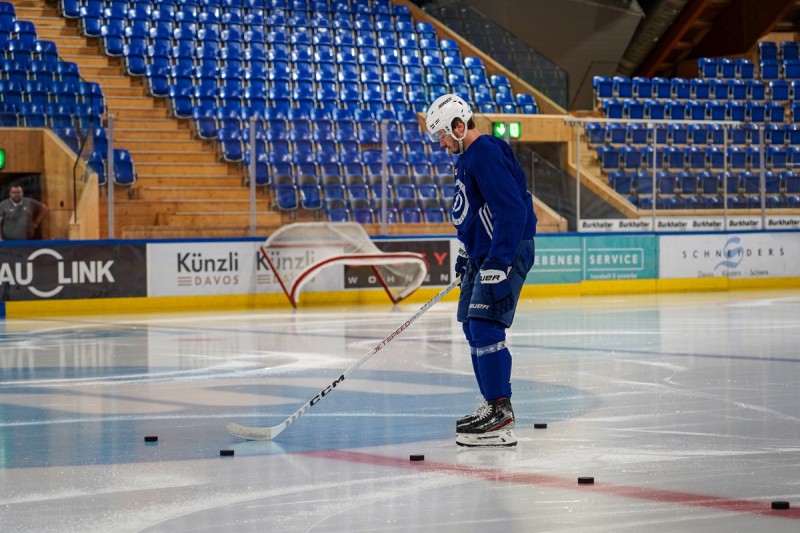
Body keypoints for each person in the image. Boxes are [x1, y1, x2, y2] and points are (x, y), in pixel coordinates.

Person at [425, 94, 537, 447]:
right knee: (471, 326)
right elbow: (475, 212)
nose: (441, 144)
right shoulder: (466, 159)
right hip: (483, 254)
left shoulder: (485, 151)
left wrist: (500, 261)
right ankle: (492, 406)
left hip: (505, 251)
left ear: (460, 126)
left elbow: (512, 209)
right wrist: (466, 253)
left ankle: (501, 414)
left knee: (486, 326)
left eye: (443, 135)